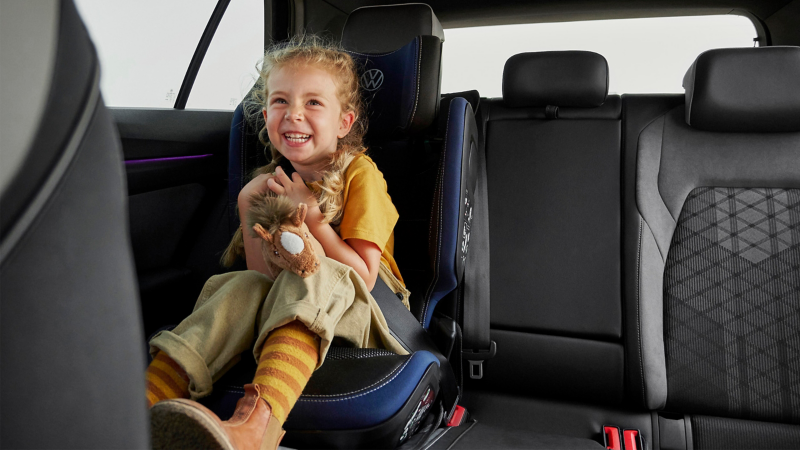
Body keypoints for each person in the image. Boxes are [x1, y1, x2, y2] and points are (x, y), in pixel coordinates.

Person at [145, 36, 410, 450]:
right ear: (265, 113)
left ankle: (256, 427)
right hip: (298, 306)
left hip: (371, 312)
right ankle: (140, 408)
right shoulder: (265, 185)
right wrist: (249, 204)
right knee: (237, 287)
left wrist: (315, 218)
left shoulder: (362, 174)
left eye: (313, 103)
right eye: (281, 101)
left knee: (319, 273)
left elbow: (362, 274)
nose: (294, 115)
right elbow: (261, 283)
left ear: (344, 121)